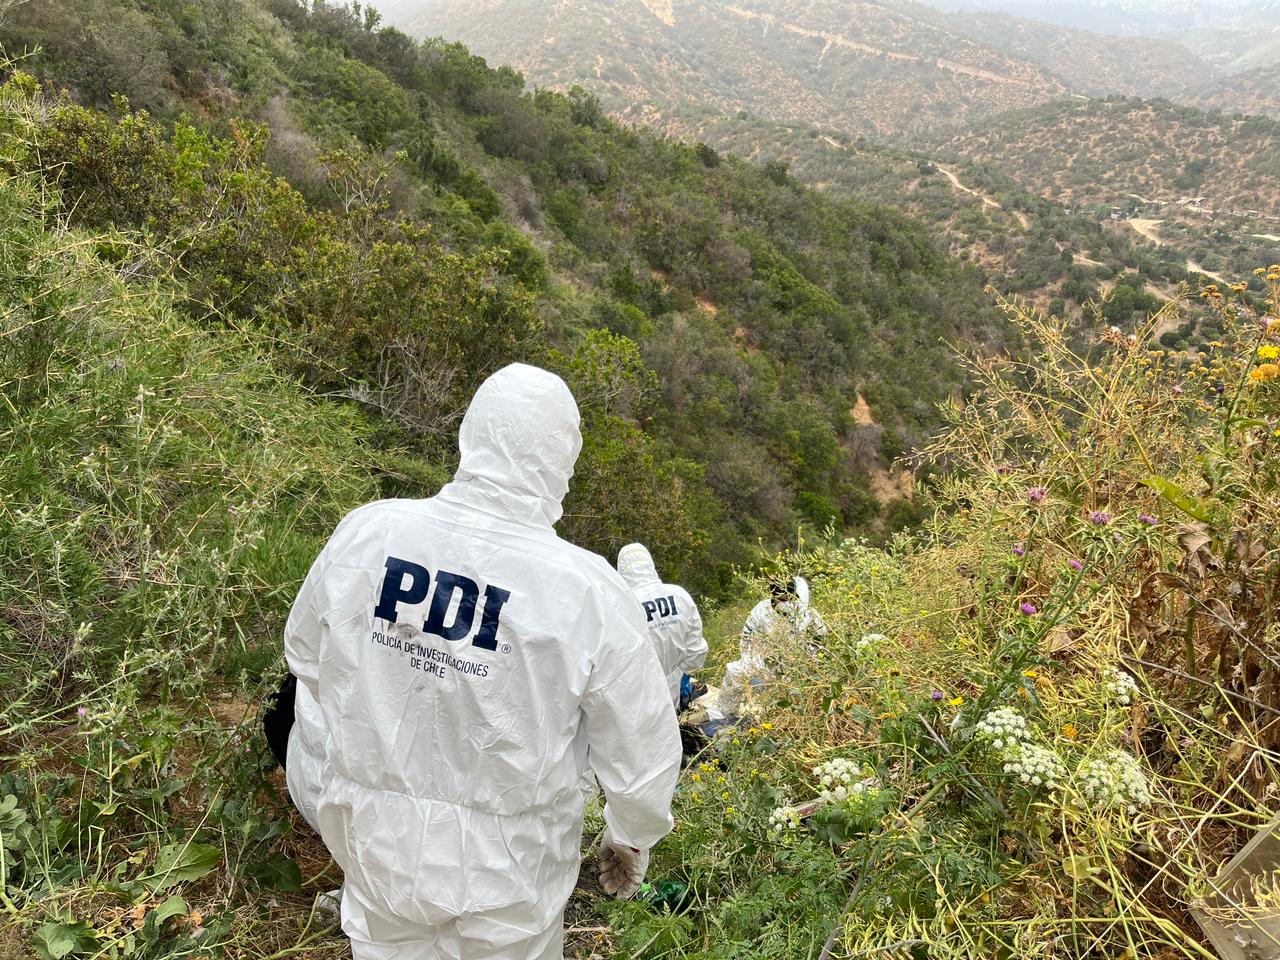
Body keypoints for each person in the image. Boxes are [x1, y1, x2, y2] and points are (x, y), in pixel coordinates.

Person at [284, 363, 682, 960]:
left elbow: (306, 660)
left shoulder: (368, 535)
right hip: (509, 877)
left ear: (473, 434)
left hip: (375, 846)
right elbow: (642, 752)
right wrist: (630, 837)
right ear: (560, 461)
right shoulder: (587, 592)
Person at [711, 576, 827, 721]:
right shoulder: (762, 609)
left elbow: (820, 646)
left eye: (788, 598)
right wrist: (759, 665)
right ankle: (724, 716)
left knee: (793, 701)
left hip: (799, 670)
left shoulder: (810, 615)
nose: (784, 603)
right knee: (735, 672)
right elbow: (747, 641)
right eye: (780, 599)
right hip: (765, 663)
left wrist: (801, 664)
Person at [615, 543, 708, 711]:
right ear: (650, 564)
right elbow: (695, 648)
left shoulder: (620, 604)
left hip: (636, 691)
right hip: (672, 684)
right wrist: (686, 673)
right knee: (670, 730)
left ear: (621, 571)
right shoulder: (679, 594)